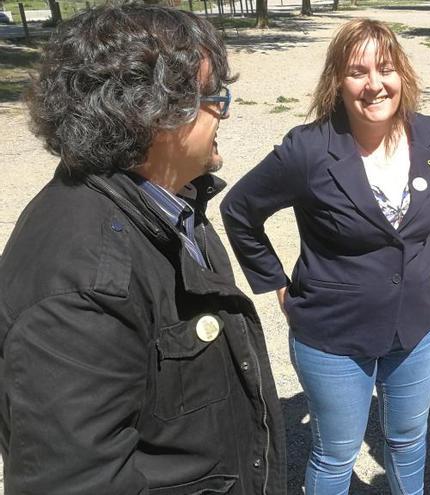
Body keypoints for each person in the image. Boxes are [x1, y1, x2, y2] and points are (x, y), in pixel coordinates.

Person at [0, 5, 286, 494]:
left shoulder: (165, 200)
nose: (223, 110)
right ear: (153, 114)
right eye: (212, 96)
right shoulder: (81, 291)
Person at [220, 19, 430, 495]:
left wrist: (416, 266)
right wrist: (276, 283)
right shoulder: (308, 150)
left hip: (416, 328)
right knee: (336, 453)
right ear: (337, 82)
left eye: (385, 69)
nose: (374, 84)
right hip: (332, 334)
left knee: (409, 441)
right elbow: (239, 210)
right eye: (357, 71)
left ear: (402, 74)